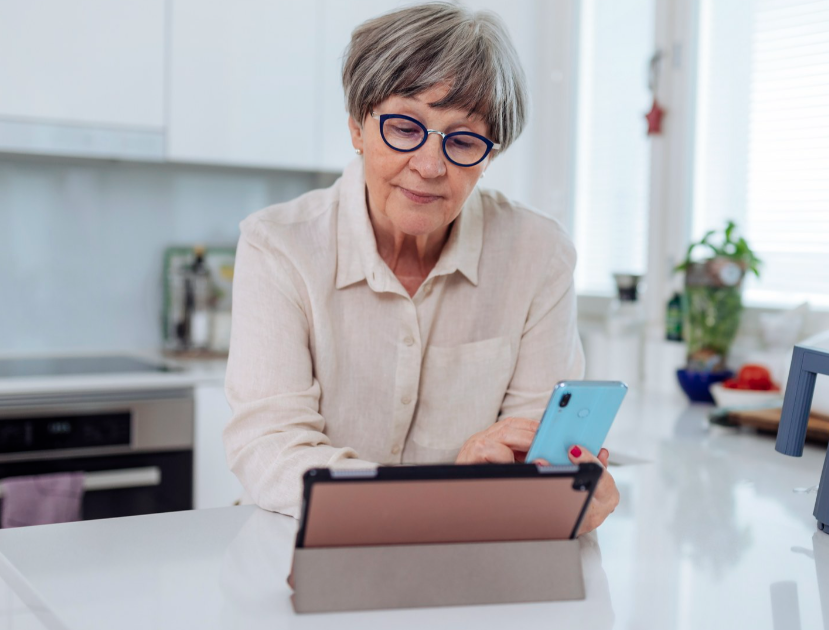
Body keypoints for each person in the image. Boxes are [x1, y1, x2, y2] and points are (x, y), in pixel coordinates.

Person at [222, 2, 618, 534]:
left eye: (462, 140)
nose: (430, 166)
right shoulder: (279, 245)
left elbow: (534, 453)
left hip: (467, 554)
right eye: (405, 127)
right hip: (292, 542)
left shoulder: (538, 255)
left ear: (489, 156)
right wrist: (439, 495)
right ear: (357, 128)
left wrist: (563, 491)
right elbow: (271, 449)